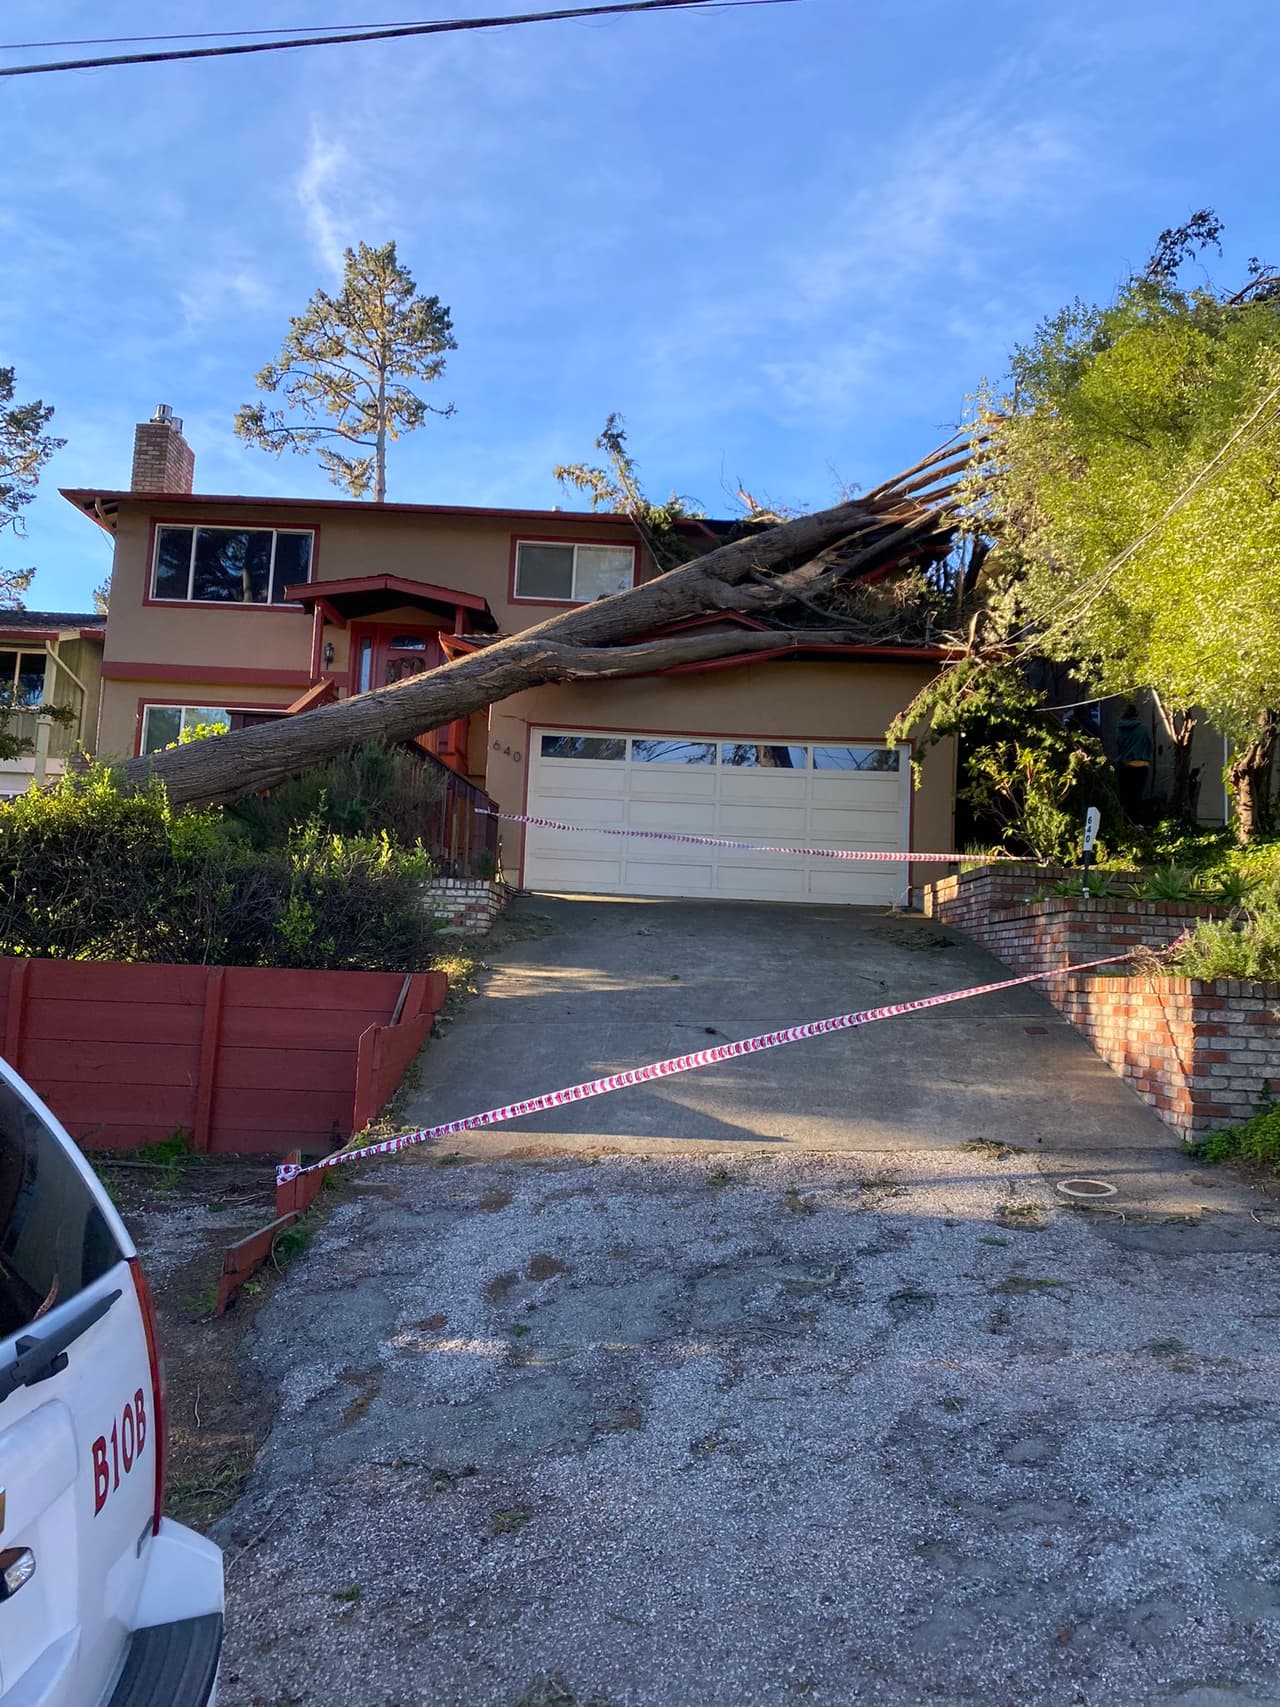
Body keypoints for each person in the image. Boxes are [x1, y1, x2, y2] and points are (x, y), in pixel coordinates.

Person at [1113, 702, 1153, 820]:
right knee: (1136, 797)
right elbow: (1149, 745)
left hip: (1124, 765)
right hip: (1141, 765)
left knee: (1124, 797)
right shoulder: (1142, 728)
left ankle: (1123, 822)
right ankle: (1134, 823)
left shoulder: (1119, 729)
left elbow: (1119, 744)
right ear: (1136, 714)